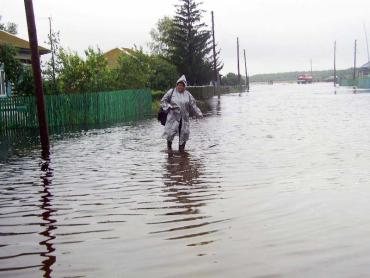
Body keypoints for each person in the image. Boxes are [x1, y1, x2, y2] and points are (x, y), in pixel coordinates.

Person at [160, 75, 203, 152]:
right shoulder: (171, 92)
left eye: (182, 85)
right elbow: (163, 101)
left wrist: (199, 114)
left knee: (184, 135)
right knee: (170, 134)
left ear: (184, 86)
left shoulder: (188, 94)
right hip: (173, 118)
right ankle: (169, 150)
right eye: (178, 85)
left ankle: (182, 152)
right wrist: (169, 106)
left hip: (184, 119)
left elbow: (193, 105)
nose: (180, 87)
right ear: (176, 85)